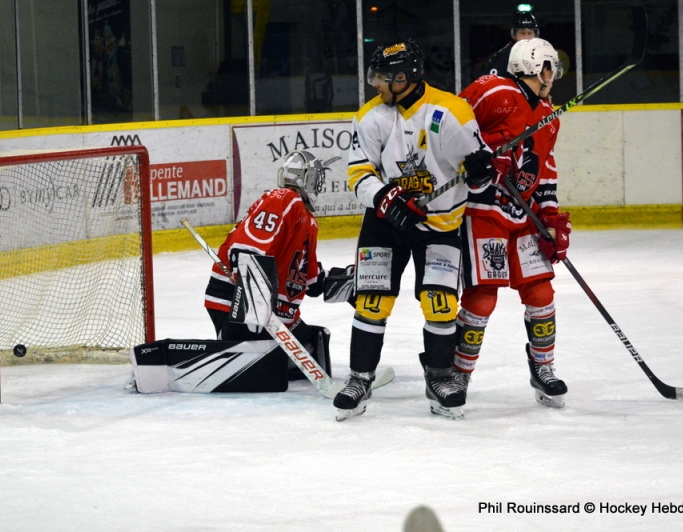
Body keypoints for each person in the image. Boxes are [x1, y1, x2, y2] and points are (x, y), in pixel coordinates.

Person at [332, 38, 496, 420]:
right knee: (372, 301)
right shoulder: (371, 116)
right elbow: (358, 173)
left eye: (382, 77)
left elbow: (480, 177)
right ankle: (360, 378)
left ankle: (439, 378)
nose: (375, 84)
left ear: (405, 78)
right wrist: (386, 198)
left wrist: (481, 172)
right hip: (384, 224)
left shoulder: (451, 112)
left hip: (439, 224)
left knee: (440, 303)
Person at [439, 37, 570, 417]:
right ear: (535, 65)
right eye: (550, 67)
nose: (553, 76)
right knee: (482, 297)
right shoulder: (493, 90)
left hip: (524, 215)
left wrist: (550, 216)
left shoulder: (549, 115)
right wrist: (478, 156)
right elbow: (449, 123)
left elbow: (545, 166)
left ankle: (543, 369)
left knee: (541, 293)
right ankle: (457, 375)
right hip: (483, 210)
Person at [204, 150, 338, 380]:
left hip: (271, 310)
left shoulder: (308, 220)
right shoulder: (284, 198)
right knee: (258, 369)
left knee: (313, 346)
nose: (318, 184)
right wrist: (251, 293)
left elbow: (311, 279)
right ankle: (231, 353)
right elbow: (249, 247)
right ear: (305, 178)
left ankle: (246, 353)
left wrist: (349, 283)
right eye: (316, 178)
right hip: (236, 302)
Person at [481, 10, 540, 78]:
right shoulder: (502, 57)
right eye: (522, 33)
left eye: (530, 33)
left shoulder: (540, 54)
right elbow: (491, 82)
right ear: (514, 35)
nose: (526, 37)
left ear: (535, 35)